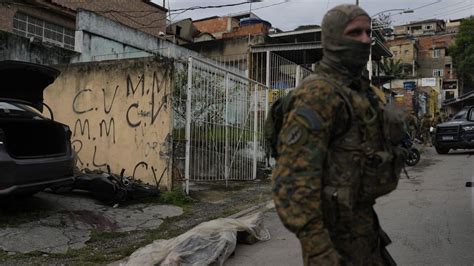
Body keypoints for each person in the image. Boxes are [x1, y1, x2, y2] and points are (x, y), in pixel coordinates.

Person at [271, 4, 405, 265]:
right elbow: (292, 185)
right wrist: (320, 252)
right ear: (332, 38)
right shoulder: (319, 95)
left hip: (363, 233)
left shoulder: (357, 92)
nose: (366, 40)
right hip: (334, 246)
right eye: (355, 33)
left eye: (368, 32)